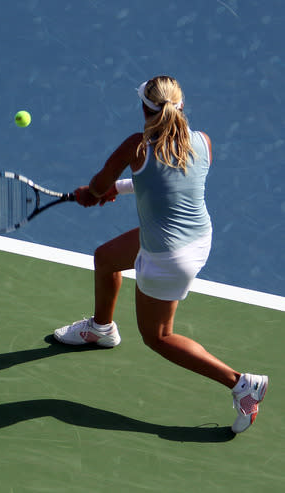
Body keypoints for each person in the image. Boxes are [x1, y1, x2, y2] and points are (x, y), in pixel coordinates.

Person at [53, 75, 268, 434]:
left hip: (167, 256)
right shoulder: (203, 142)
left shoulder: (134, 147)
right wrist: (117, 190)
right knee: (106, 258)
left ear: (143, 109)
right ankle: (101, 329)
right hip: (197, 238)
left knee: (159, 337)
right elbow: (166, 182)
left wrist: (94, 193)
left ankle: (241, 383)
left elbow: (99, 185)